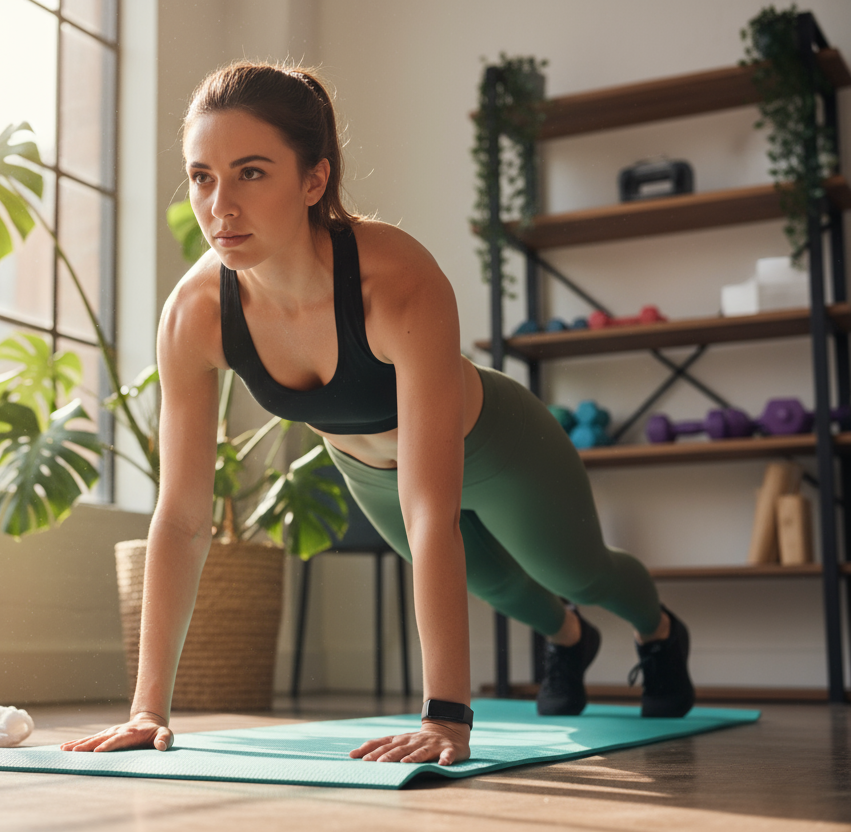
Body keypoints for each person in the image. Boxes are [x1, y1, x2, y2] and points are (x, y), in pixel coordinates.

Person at [61, 62, 695, 766]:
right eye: (203, 176)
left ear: (313, 180)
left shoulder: (394, 280)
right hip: (368, 472)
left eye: (251, 173)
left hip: (496, 445)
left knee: (581, 573)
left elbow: (433, 510)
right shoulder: (195, 313)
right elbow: (181, 516)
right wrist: (148, 711)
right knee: (504, 588)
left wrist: (446, 720)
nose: (219, 206)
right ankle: (571, 643)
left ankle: (660, 632)